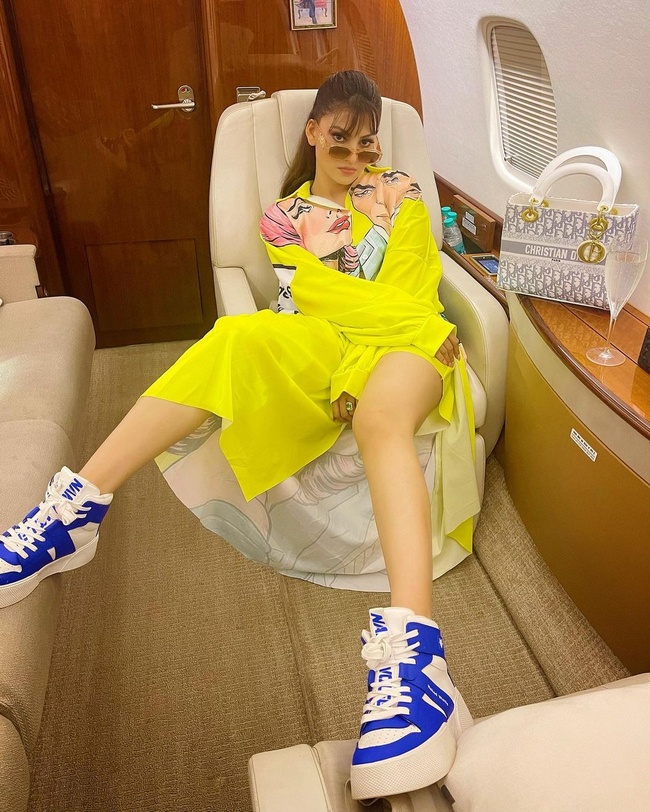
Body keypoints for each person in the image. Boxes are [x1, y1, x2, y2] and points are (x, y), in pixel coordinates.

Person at [0, 70, 476, 799]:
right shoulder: (284, 215)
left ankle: (417, 660)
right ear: (313, 131)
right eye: (340, 139)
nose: (355, 157)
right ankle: (72, 512)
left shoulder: (398, 190)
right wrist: (348, 356)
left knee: (380, 416)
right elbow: (315, 294)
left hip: (411, 339)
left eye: (367, 143)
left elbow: (413, 282)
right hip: (329, 338)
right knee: (233, 338)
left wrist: (386, 350)